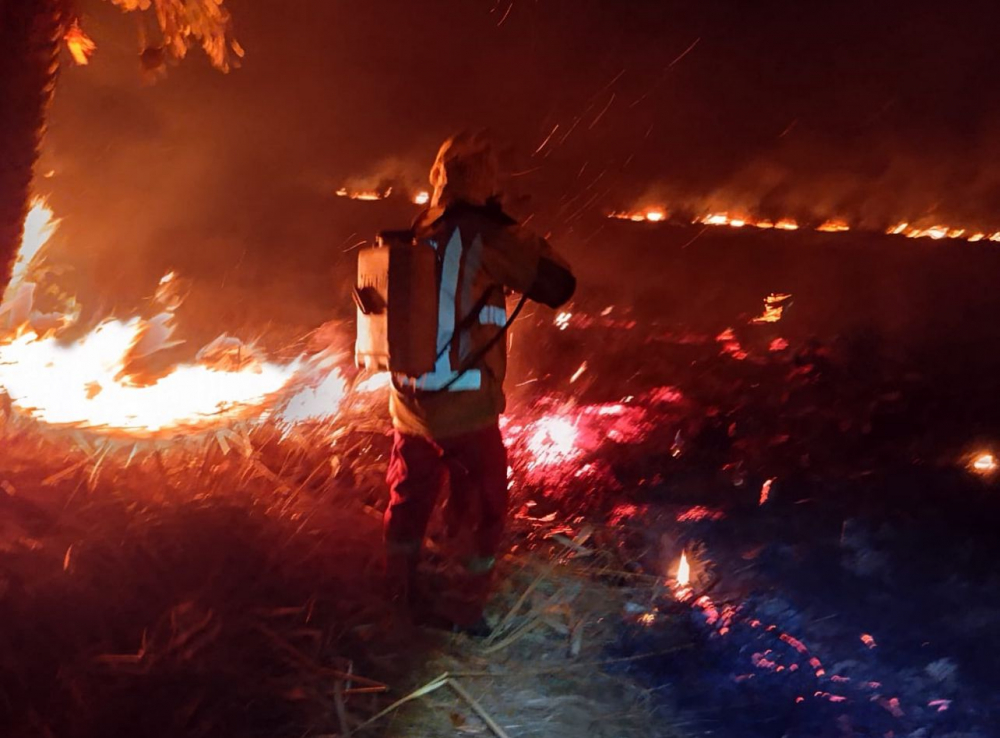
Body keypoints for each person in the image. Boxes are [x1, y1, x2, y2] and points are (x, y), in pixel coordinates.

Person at [383, 131, 575, 634]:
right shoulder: (486, 234)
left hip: (409, 403)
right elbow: (558, 283)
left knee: (408, 498)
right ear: (486, 181)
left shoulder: (417, 229)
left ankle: (399, 593)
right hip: (465, 406)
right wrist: (506, 219)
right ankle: (464, 608)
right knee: (487, 505)